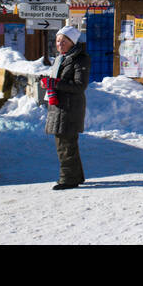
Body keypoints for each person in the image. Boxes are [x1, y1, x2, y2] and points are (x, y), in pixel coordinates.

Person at [43, 25, 90, 190]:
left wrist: (56, 84)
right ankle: (76, 176)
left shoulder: (80, 59)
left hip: (70, 108)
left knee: (65, 145)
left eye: (63, 41)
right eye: (57, 41)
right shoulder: (61, 58)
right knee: (65, 144)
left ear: (72, 42)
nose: (59, 44)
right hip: (60, 106)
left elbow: (79, 86)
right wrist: (49, 84)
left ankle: (68, 179)